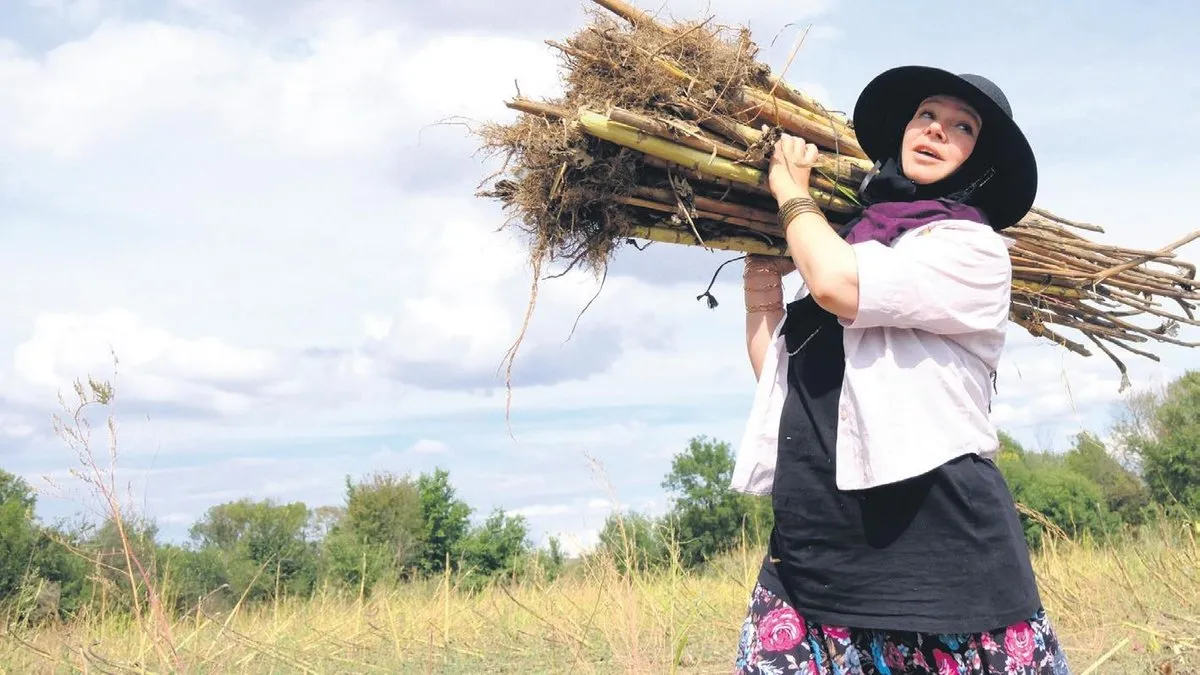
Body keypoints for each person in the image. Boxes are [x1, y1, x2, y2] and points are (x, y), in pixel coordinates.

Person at [730, 66, 1072, 674]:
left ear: (980, 160)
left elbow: (837, 284)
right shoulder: (851, 240)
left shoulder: (972, 250)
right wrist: (762, 284)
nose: (937, 131)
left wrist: (790, 194)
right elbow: (786, 387)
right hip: (816, 554)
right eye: (927, 116)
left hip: (935, 553)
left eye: (961, 127)